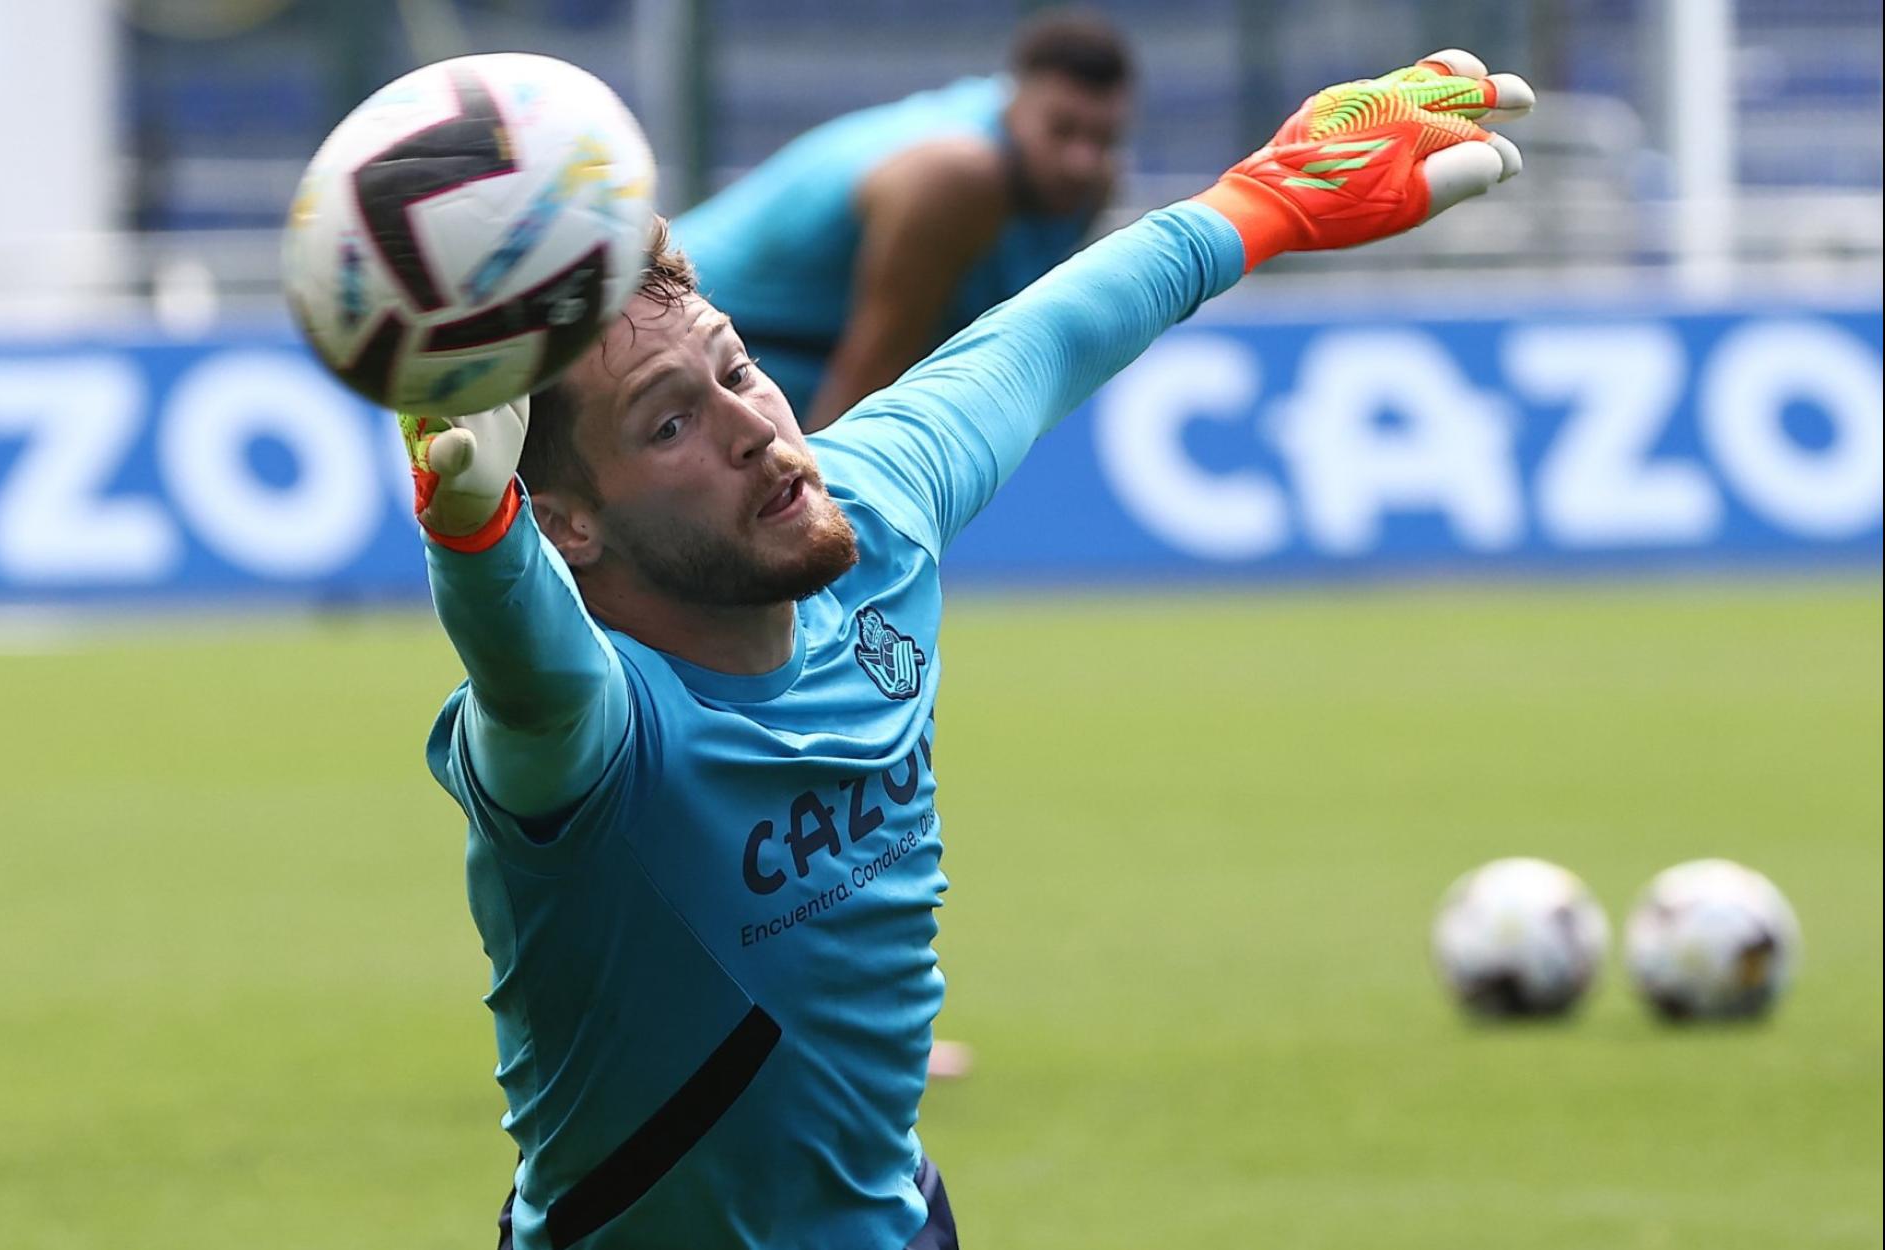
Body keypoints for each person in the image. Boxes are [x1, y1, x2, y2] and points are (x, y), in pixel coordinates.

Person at [402, 50, 1533, 1250]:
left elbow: (1043, 339)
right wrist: (473, 533)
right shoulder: (594, 734)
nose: (753, 425)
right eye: (670, 421)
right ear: (570, 521)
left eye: (736, 368)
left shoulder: (873, 510)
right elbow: (520, 661)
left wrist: (1265, 201)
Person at [671, 10, 1133, 431]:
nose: (1083, 162)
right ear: (1016, 103)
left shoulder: (1085, 189)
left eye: (1104, 139)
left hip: (770, 359)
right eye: (1062, 130)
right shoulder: (956, 177)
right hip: (674, 320)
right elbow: (865, 396)